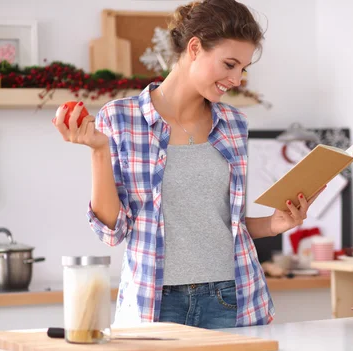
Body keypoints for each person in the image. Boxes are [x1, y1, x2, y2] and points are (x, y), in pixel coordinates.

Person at [52, 0, 324, 329]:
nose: (236, 79)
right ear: (195, 47)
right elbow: (113, 231)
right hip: (156, 301)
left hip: (231, 297)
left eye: (243, 68)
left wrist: (274, 224)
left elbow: (227, 224)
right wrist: (99, 151)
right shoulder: (122, 118)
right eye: (229, 64)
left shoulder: (234, 123)